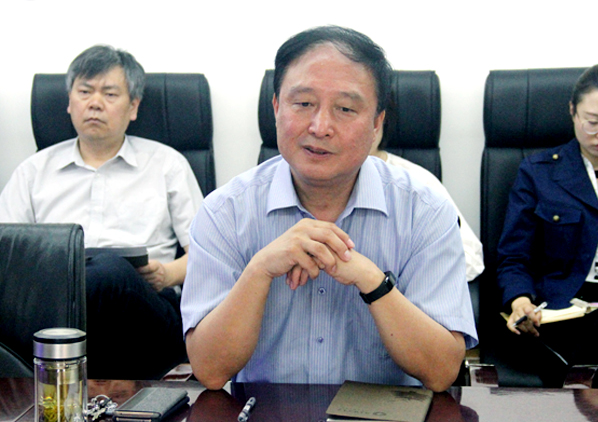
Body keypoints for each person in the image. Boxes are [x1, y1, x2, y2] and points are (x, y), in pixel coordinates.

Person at [181, 26, 477, 392]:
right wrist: (258, 271)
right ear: (276, 108)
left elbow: (442, 371)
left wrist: (373, 282)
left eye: (345, 109)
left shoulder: (426, 211)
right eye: (303, 104)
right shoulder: (224, 212)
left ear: (377, 124)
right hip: (262, 420)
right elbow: (210, 370)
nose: (320, 127)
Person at [0, 45, 203, 379]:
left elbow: (207, 253)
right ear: (69, 102)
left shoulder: (167, 164)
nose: (95, 103)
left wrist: (166, 274)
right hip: (57, 307)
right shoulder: (33, 171)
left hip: (146, 310)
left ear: (133, 106)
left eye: (109, 94)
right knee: (83, 279)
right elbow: (8, 259)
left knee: (110, 270)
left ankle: (59, 377)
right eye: (84, 92)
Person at [497, 62, 598, 385]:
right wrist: (521, 301)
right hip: (563, 312)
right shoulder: (538, 172)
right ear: (573, 111)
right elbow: (514, 256)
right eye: (593, 122)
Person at [369, 123, 484, 281]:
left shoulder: (419, 183)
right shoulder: (331, 180)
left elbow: (470, 259)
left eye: (348, 111)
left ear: (379, 121)